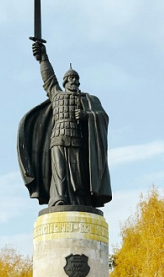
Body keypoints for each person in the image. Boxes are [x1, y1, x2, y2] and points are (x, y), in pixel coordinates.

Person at [19, 41, 112, 208]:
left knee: (78, 175)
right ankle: (59, 198)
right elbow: (49, 79)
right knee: (60, 172)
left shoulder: (87, 99)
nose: (73, 80)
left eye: (76, 78)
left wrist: (87, 116)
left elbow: (102, 116)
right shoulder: (57, 95)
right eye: (70, 78)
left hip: (78, 139)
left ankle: (82, 201)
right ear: (64, 81)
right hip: (58, 139)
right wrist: (43, 58)